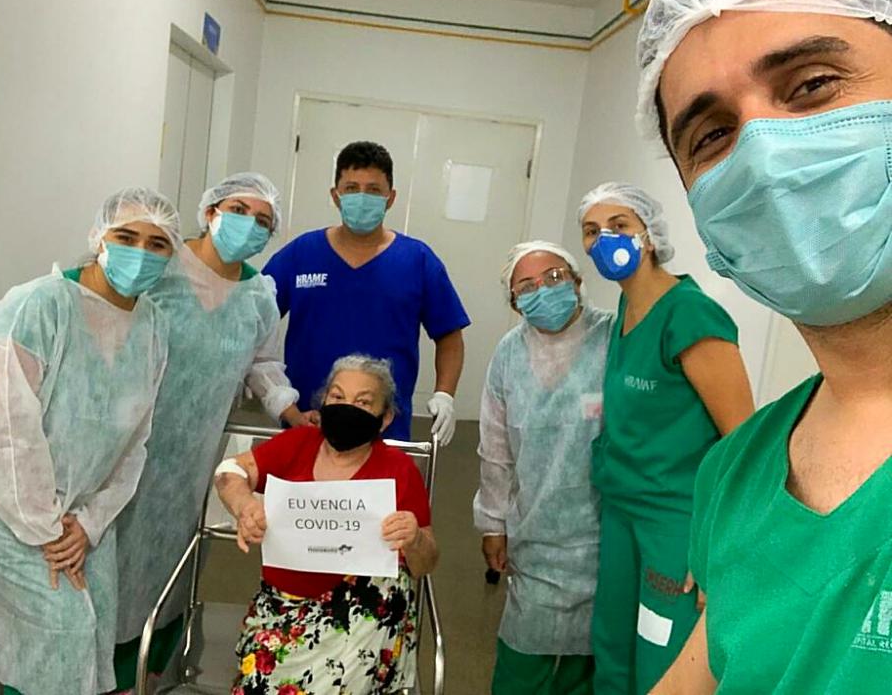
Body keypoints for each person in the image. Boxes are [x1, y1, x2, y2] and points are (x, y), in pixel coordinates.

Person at [633, 0, 892, 692]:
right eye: (711, 135)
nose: (766, 155)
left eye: (811, 86)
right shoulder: (734, 473)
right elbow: (711, 669)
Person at [0, 188, 180, 695]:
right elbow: (7, 436)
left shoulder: (153, 327)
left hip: (81, 506)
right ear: (99, 239)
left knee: (93, 627)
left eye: (157, 244)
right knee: (60, 628)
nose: (141, 252)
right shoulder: (35, 308)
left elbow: (135, 442)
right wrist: (46, 528)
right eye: (126, 237)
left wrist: (87, 525)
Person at [111, 173, 309, 692]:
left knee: (167, 569)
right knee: (107, 566)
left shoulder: (258, 296)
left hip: (191, 458)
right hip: (118, 447)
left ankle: (148, 675)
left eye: (263, 221)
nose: (250, 225)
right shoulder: (159, 267)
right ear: (210, 210)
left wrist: (291, 413)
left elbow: (263, 364)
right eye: (239, 210)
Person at [577, 182, 755, 694]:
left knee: (661, 652)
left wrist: (711, 543)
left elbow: (743, 438)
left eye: (619, 226)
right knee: (611, 643)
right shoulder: (623, 314)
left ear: (648, 236)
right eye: (592, 232)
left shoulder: (689, 313)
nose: (604, 240)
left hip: (676, 519)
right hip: (622, 507)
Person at [216, 355, 438, 694]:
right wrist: (244, 505)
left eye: (363, 402)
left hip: (362, 625)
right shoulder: (297, 444)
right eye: (337, 396)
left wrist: (414, 540)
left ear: (385, 418)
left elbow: (425, 564)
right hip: (283, 613)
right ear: (322, 402)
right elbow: (229, 472)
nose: (347, 407)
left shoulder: (398, 470)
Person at [474, 241, 614, 695]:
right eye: (527, 286)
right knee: (524, 655)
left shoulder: (616, 338)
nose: (543, 290)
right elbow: (494, 445)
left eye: (554, 277)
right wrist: (493, 523)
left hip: (607, 532)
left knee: (592, 659)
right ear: (515, 301)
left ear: (577, 282)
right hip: (536, 533)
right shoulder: (509, 354)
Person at [262, 140, 470, 443]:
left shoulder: (417, 260)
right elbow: (254, 319)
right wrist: (281, 402)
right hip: (309, 422)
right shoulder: (301, 254)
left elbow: (450, 336)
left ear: (390, 198)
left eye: (373, 189)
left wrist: (444, 394)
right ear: (335, 196)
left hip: (384, 425)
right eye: (351, 188)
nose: (362, 197)